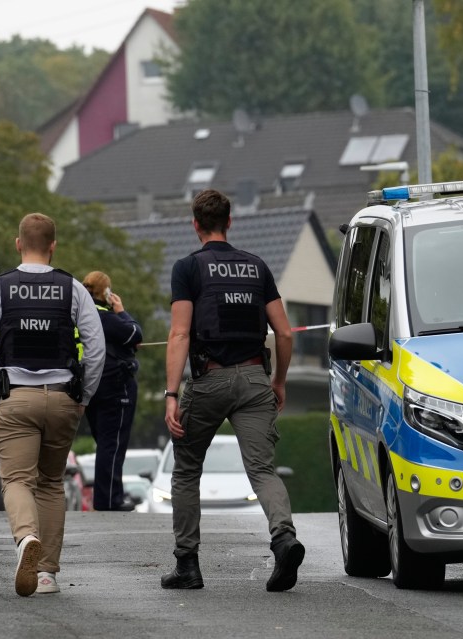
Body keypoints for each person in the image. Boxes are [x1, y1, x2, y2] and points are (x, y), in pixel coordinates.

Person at [0, 212, 105, 597]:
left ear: (18, 244)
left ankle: (25, 540)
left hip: (17, 398)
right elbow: (97, 348)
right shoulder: (74, 289)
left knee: (18, 480)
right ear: (53, 246)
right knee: (52, 483)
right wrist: (84, 396)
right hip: (63, 399)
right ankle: (47, 574)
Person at [161, 189, 304, 592]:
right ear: (230, 221)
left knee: (187, 469)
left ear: (195, 224)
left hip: (209, 380)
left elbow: (180, 332)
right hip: (255, 378)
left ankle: (187, 565)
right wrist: (278, 382)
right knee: (261, 469)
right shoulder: (256, 266)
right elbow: (286, 332)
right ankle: (284, 538)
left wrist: (172, 394)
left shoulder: (188, 269)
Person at [81, 271, 143, 511]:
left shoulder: (78, 317)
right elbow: (135, 334)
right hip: (115, 388)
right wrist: (121, 309)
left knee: (106, 443)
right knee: (112, 444)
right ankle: (109, 501)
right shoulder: (105, 318)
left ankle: (113, 493)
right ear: (106, 293)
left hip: (88, 387)